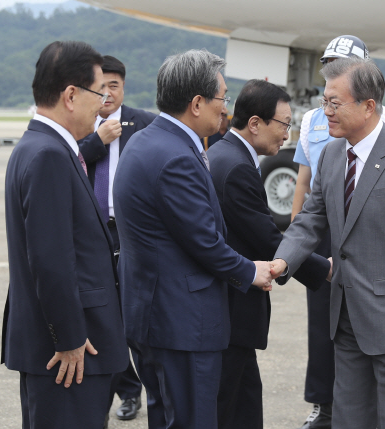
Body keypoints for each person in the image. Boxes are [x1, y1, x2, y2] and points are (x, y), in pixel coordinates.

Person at [272, 56, 385, 429]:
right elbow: (311, 218)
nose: (326, 112)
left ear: (369, 107)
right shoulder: (333, 155)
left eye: (335, 103)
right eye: (324, 102)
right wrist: (282, 262)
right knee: (349, 420)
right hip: (346, 318)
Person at [113, 49, 273, 429]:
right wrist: (252, 271)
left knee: (168, 418)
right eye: (223, 98)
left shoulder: (146, 140)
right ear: (197, 102)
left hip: (153, 316)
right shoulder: (176, 157)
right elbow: (205, 243)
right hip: (181, 324)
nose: (226, 109)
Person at [2, 40, 128, 429]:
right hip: (70, 356)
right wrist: (69, 339)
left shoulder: (39, 147)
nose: (105, 101)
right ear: (71, 95)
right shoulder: (49, 156)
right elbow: (50, 260)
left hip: (65, 349)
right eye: (98, 91)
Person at [290, 34, 385, 429]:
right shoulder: (311, 120)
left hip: (364, 232)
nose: (331, 70)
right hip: (323, 230)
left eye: (341, 63)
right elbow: (304, 182)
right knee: (323, 323)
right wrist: (292, 239)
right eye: (329, 63)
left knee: (364, 322)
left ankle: (361, 401)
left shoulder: (383, 121)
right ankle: (325, 403)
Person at [207, 79, 332, 429]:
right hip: (231, 311)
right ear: (256, 124)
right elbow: (267, 239)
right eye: (284, 125)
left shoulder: (223, 154)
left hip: (232, 312)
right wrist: (325, 269)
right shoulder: (236, 167)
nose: (287, 135)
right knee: (230, 407)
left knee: (244, 403)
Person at [78, 54, 155, 424]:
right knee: (101, 315)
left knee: (132, 314)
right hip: (95, 232)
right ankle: (125, 391)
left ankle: (145, 387)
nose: (107, 93)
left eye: (114, 86)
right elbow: (69, 163)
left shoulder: (145, 123)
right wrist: (96, 140)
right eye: (101, 86)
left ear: (124, 87)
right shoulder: (80, 126)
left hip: (131, 232)